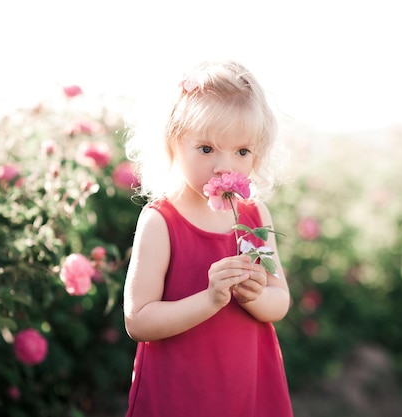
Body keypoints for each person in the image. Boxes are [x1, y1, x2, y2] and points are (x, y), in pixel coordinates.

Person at [123, 60, 294, 417]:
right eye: (206, 149)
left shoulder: (253, 217)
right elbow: (138, 321)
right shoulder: (161, 221)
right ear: (173, 145)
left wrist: (256, 295)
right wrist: (211, 299)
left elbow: (279, 302)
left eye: (241, 151)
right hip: (180, 390)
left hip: (245, 383)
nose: (224, 166)